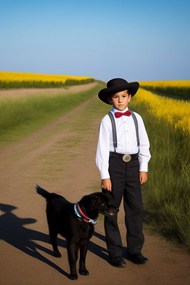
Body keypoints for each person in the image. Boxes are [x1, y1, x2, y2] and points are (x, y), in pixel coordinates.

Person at [96, 78, 151, 267]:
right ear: (110, 99)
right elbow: (102, 149)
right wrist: (105, 175)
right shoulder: (107, 120)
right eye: (116, 97)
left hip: (134, 165)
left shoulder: (137, 118)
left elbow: (144, 144)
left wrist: (143, 167)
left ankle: (135, 251)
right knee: (111, 209)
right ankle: (115, 253)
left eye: (123, 96)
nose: (120, 100)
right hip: (115, 166)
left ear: (129, 98)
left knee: (135, 208)